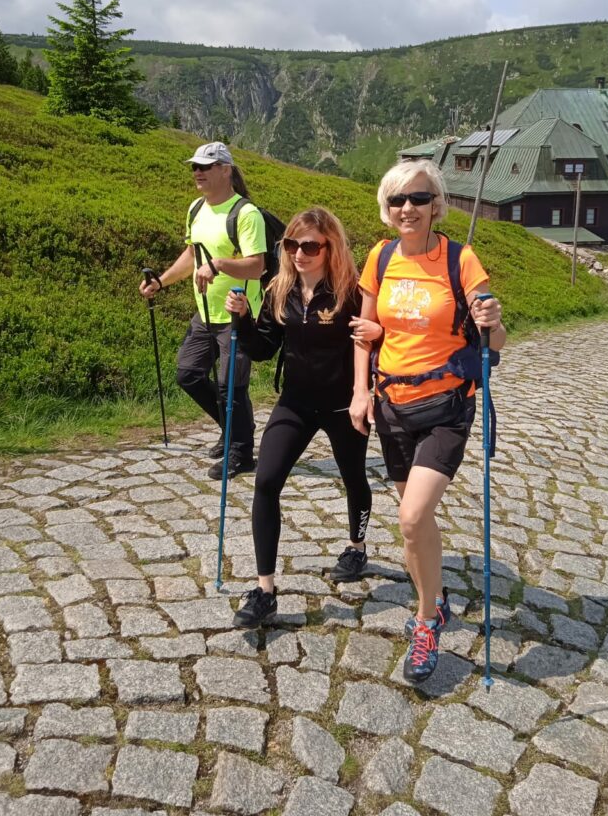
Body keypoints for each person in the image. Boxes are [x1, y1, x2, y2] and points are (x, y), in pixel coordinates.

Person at [350, 160, 504, 683]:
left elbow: (495, 342)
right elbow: (366, 332)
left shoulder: (460, 259)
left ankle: (424, 624)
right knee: (416, 527)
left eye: (417, 198)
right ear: (386, 209)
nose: (407, 209)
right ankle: (434, 600)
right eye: (396, 201)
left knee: (413, 518)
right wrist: (359, 392)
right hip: (392, 405)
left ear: (436, 204)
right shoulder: (380, 256)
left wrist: (493, 322)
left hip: (445, 407)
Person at [226, 207, 379, 629]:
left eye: (310, 245)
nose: (299, 253)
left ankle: (356, 545)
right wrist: (241, 320)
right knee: (266, 481)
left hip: (341, 404)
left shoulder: (349, 292)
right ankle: (264, 590)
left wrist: (363, 395)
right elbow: (262, 349)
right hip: (295, 402)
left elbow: (368, 343)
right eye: (292, 245)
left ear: (331, 247)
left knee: (353, 477)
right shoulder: (280, 289)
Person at [139, 142, 266, 479]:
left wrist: (219, 264)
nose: (198, 172)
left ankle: (241, 452)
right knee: (189, 374)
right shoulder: (196, 208)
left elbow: (256, 266)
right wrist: (162, 282)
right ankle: (232, 428)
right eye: (195, 166)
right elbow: (191, 256)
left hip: (238, 313)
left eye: (206, 166)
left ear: (226, 170)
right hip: (205, 312)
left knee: (230, 386)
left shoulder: (246, 213)